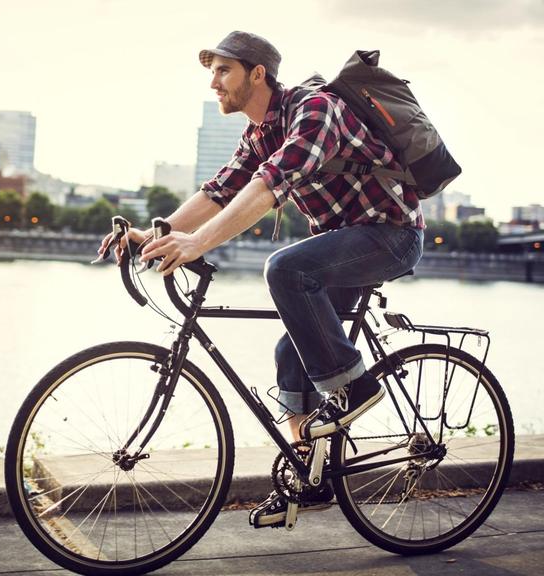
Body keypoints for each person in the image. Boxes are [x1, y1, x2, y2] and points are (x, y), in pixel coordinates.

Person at [98, 30, 424, 528]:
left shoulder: (315, 109)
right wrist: (154, 233)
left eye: (223, 70)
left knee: (286, 268)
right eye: (212, 72)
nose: (213, 83)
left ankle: (357, 390)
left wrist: (198, 244)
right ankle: (312, 481)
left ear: (257, 74)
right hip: (343, 246)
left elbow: (271, 185)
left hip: (390, 236)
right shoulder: (257, 134)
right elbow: (219, 192)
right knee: (290, 354)